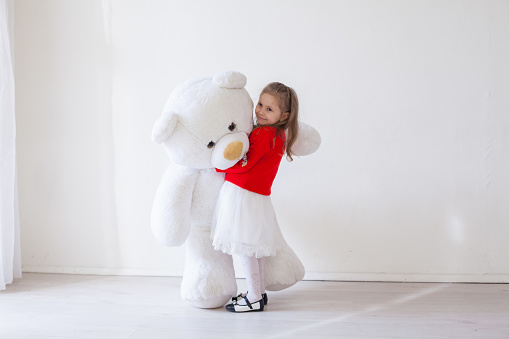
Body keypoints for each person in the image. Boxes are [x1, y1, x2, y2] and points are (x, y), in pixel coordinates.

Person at [211, 82, 299, 312]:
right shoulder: (278, 135)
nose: (260, 111)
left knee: (247, 247)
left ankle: (255, 296)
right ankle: (257, 292)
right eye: (260, 104)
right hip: (254, 198)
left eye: (269, 109)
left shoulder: (263, 134)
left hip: (244, 196)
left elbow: (245, 165)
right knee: (252, 248)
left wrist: (221, 168)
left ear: (284, 115)